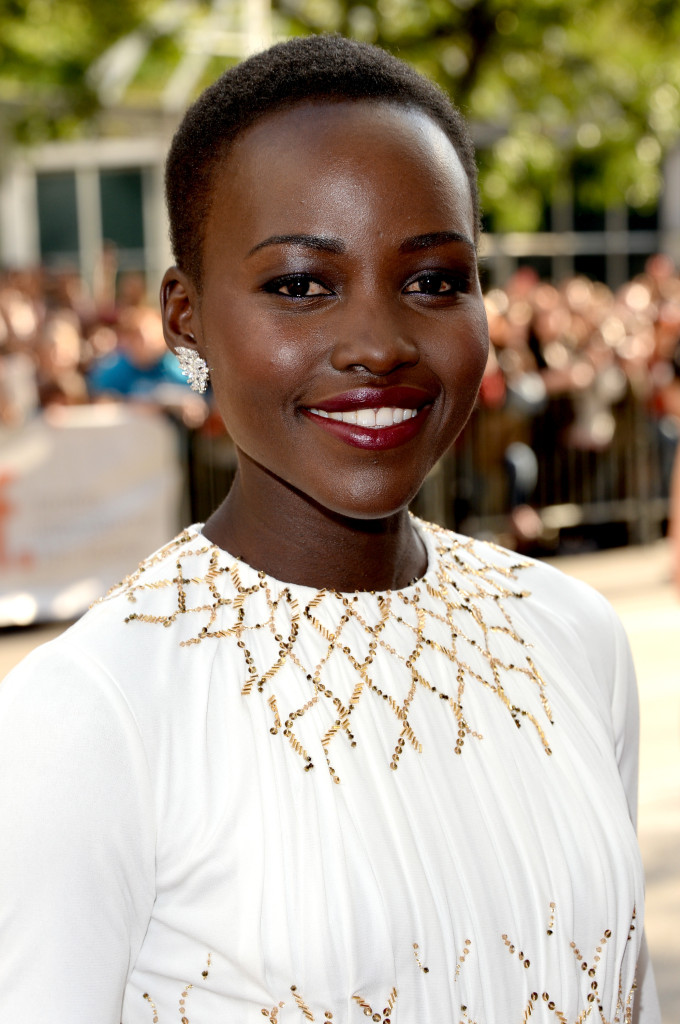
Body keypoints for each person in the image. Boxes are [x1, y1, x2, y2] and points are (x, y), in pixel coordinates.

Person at [0, 34, 660, 1024]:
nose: (377, 344)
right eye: (301, 285)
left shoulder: (572, 635)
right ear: (185, 319)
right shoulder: (92, 713)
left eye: (433, 280)